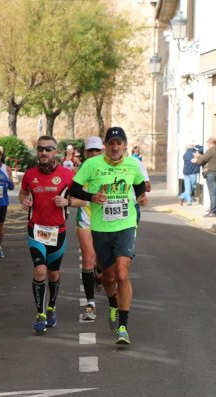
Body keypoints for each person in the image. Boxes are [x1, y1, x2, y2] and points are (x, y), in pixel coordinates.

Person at [69, 127, 148, 345]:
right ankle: (113, 303)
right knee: (108, 277)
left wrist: (141, 196)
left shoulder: (132, 164)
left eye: (119, 143)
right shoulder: (92, 165)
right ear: (106, 145)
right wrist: (91, 196)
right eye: (111, 143)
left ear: (124, 145)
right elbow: (73, 189)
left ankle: (123, 327)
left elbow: (139, 183)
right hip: (101, 229)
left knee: (122, 274)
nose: (115, 147)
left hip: (125, 225)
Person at [19, 135, 77, 333]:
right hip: (36, 229)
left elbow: (82, 200)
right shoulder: (29, 174)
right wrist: (24, 201)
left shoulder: (67, 175)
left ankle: (51, 306)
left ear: (55, 152)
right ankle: (40, 313)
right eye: (40, 149)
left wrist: (68, 202)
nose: (43, 152)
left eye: (48, 149)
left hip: (58, 231)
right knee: (40, 270)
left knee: (53, 274)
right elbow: (23, 193)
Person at [75, 136, 104, 321]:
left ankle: (99, 273)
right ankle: (90, 304)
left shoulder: (109, 170)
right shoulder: (81, 171)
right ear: (86, 152)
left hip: (106, 221)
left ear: (102, 150)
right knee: (88, 259)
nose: (93, 154)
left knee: (102, 262)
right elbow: (74, 195)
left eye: (96, 151)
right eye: (90, 151)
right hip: (85, 218)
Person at [193, 137, 216, 217]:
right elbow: (208, 159)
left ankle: (213, 211)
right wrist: (201, 156)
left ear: (210, 143)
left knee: (212, 192)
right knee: (214, 191)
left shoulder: (211, 150)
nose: (207, 146)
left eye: (207, 144)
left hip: (211, 173)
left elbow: (201, 161)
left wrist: (198, 156)